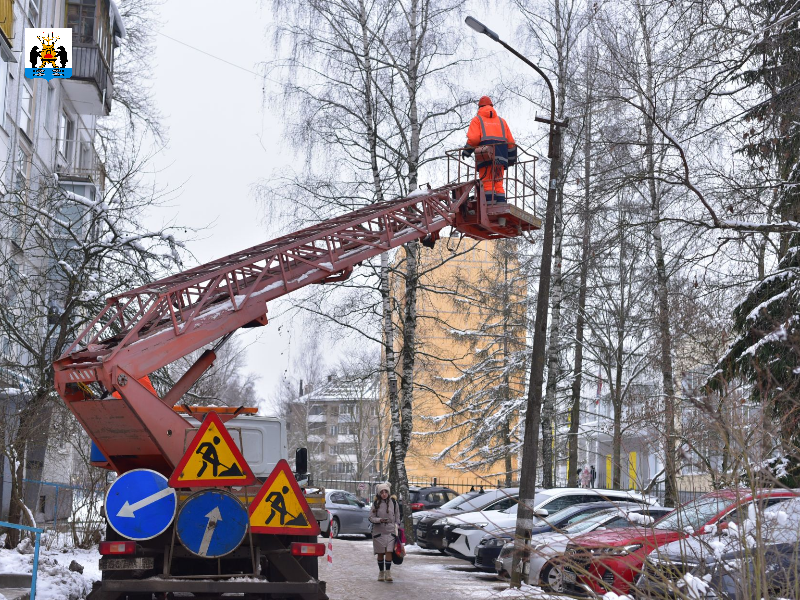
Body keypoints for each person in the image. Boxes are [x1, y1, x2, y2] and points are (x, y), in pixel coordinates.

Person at [461, 96, 517, 204]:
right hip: (501, 157)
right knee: (498, 182)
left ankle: (489, 205)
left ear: (479, 107)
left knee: (487, 182)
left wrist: (467, 151)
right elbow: (511, 142)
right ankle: (501, 204)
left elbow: (474, 138)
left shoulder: (477, 120)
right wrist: (511, 159)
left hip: (485, 155)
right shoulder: (502, 121)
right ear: (492, 106)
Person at [368, 482, 401, 582]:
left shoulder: (394, 503)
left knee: (389, 551)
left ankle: (388, 573)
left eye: (385, 492)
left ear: (388, 492)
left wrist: (396, 525)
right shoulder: (376, 503)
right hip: (379, 531)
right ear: (379, 493)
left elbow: (398, 516)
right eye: (381, 492)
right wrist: (379, 520)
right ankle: (381, 573)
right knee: (380, 552)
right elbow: (371, 517)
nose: (384, 494)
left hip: (390, 531)